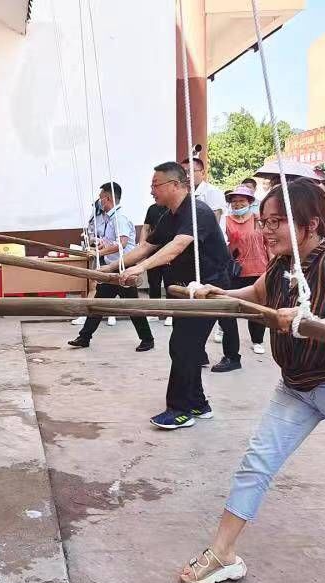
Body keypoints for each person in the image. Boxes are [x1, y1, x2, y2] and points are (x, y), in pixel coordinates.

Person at [178, 179, 325, 583]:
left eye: (277, 222)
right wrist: (217, 293)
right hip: (296, 386)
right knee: (256, 462)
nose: (266, 230)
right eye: (265, 221)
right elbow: (257, 293)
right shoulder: (282, 263)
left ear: (311, 224)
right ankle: (222, 554)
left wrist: (314, 323)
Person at [114, 162, 231, 429]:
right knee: (186, 347)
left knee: (183, 347)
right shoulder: (170, 215)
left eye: (156, 185)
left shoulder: (197, 211)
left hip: (209, 291)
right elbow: (147, 245)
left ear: (175, 185)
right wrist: (114, 267)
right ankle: (199, 404)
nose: (152, 191)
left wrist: (140, 268)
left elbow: (177, 247)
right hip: (186, 291)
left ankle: (181, 410)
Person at [67, 182, 155, 352]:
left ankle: (147, 339)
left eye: (101, 199)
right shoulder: (109, 218)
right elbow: (111, 242)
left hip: (124, 267)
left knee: (132, 306)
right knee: (99, 303)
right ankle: (84, 337)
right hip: (112, 267)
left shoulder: (119, 218)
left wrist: (99, 254)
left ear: (107, 199)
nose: (99, 202)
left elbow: (121, 243)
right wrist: (98, 246)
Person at [221, 185, 269, 356]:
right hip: (235, 270)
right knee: (230, 304)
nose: (238, 204)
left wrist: (271, 266)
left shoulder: (259, 220)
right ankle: (225, 333)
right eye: (234, 202)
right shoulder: (225, 220)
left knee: (257, 308)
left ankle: (257, 340)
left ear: (249, 202)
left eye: (241, 201)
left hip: (259, 269)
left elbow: (269, 244)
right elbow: (223, 247)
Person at [141, 199, 170, 325]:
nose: (154, 194)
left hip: (170, 251)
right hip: (153, 251)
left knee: (170, 283)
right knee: (153, 282)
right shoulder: (152, 208)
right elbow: (145, 228)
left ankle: (170, 313)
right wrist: (142, 245)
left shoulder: (172, 209)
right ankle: (154, 312)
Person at [181, 157, 226, 222]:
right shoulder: (186, 193)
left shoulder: (212, 191)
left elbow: (214, 221)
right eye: (183, 173)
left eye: (190, 171)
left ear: (202, 173)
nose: (187, 176)